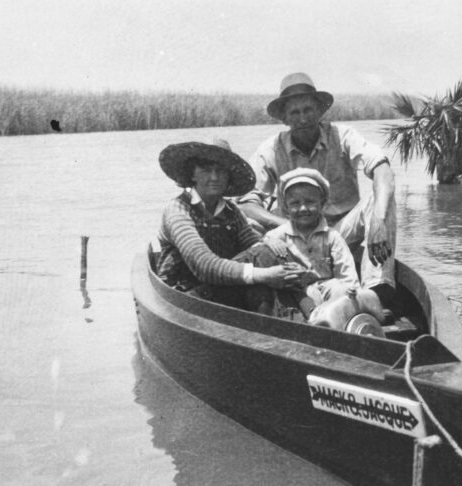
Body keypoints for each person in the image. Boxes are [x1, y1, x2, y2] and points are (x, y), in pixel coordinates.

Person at [238, 72, 398, 308]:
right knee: (250, 224)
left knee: (381, 200)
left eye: (308, 110)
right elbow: (246, 202)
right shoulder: (271, 149)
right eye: (294, 112)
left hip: (342, 232)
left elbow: (382, 169)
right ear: (284, 118)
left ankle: (376, 290)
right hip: (297, 235)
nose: (303, 118)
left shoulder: (342, 136)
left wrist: (379, 220)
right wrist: (281, 225)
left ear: (319, 111)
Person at [154, 138, 299, 313]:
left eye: (221, 171)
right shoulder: (177, 210)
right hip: (183, 296)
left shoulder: (231, 210)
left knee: (267, 254)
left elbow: (252, 244)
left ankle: (304, 315)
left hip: (223, 287)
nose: (214, 178)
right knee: (261, 275)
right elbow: (204, 266)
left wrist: (270, 243)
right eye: (206, 171)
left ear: (229, 176)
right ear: (192, 174)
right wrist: (266, 275)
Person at [264, 168, 359, 318]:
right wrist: (270, 242)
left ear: (322, 204)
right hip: (299, 293)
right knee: (302, 296)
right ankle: (317, 321)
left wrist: (350, 291)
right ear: (286, 208)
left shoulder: (332, 237)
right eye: (295, 203)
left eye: (309, 202)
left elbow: (347, 276)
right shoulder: (279, 235)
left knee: (340, 289)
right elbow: (261, 246)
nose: (303, 208)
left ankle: (335, 321)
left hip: (328, 290)